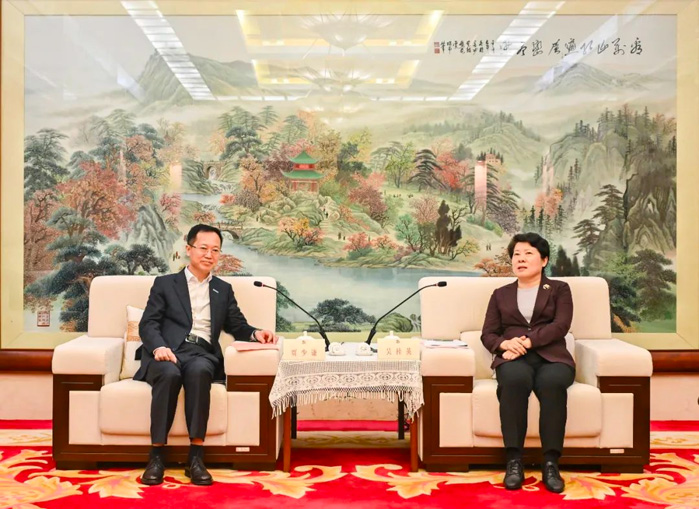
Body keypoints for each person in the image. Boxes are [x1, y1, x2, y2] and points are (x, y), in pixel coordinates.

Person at [135, 224, 277, 486]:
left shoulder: (223, 289)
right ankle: (156, 457)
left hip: (201, 352)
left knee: (200, 372)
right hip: (168, 350)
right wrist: (159, 347)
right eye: (203, 248)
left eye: (215, 250)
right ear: (189, 249)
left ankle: (196, 457)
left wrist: (256, 333)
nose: (209, 255)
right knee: (168, 374)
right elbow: (148, 323)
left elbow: (237, 325)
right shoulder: (165, 284)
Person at [480, 232, 575, 493]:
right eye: (516, 255)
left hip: (552, 357)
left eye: (528, 253)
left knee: (553, 383)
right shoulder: (500, 294)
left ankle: (551, 463)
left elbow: (561, 325)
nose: (520, 259)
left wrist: (526, 343)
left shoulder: (559, 289)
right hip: (512, 358)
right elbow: (488, 333)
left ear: (544, 260)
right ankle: (514, 461)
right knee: (513, 381)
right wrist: (503, 345)